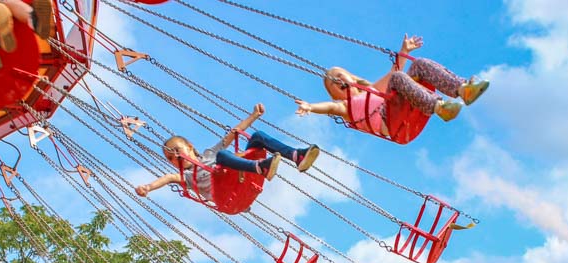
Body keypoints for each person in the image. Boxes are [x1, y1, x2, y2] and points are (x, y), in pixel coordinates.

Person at [295, 35, 489, 136]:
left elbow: (392, 74)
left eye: (339, 76)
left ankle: (463, 89)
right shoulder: (346, 108)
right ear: (335, 94)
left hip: (407, 107)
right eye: (334, 84)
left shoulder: (371, 91)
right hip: (393, 123)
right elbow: (330, 107)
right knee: (397, 78)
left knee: (419, 64)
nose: (338, 81)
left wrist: (404, 51)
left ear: (351, 78)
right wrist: (310, 107)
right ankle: (440, 107)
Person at [134, 104, 320, 201]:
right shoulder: (187, 176)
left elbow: (232, 134)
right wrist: (148, 187)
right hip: (227, 195)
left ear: (189, 146)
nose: (175, 157)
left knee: (256, 136)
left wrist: (253, 116)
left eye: (176, 150)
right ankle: (259, 167)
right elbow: (167, 178)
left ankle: (297, 156)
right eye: (170, 158)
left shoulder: (209, 153)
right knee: (222, 158)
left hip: (241, 178)